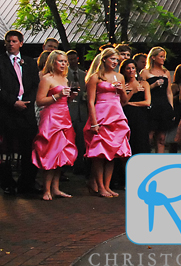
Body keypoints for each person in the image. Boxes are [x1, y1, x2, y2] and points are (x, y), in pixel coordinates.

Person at [84, 48, 131, 198]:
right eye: (112, 59)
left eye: (117, 60)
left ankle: (107, 185)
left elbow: (124, 100)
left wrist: (121, 90)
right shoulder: (96, 77)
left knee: (113, 153)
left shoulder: (120, 77)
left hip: (116, 114)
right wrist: (94, 122)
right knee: (100, 153)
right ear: (104, 59)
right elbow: (91, 101)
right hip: (101, 114)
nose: (115, 62)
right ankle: (100, 186)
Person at [32, 50, 77, 200]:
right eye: (60, 61)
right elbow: (39, 101)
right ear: (53, 62)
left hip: (64, 116)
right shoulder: (47, 79)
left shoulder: (65, 79)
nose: (64, 64)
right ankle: (46, 189)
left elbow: (65, 101)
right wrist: (57, 95)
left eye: (65, 61)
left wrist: (70, 97)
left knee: (61, 153)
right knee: (50, 152)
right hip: (51, 117)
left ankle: (56, 188)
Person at [0, 29, 41, 195]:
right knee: (7, 151)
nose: (11, 44)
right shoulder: (1, 61)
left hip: (26, 111)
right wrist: (13, 102)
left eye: (14, 41)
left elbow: (34, 84)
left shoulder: (30, 62)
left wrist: (26, 102)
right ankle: (7, 183)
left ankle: (27, 183)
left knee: (28, 148)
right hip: (7, 111)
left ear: (21, 43)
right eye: (8, 41)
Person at [139, 47, 174, 153]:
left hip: (163, 106)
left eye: (164, 57)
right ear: (153, 57)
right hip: (151, 106)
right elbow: (140, 90)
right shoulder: (145, 72)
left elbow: (169, 91)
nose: (163, 59)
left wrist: (171, 107)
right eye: (161, 56)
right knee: (149, 136)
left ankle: (160, 162)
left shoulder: (166, 72)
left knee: (162, 138)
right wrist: (153, 85)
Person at [121, 59, 152, 155]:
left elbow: (147, 102)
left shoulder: (144, 83)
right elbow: (122, 103)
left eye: (133, 68)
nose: (131, 70)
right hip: (126, 116)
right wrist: (132, 92)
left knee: (141, 142)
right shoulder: (122, 85)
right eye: (128, 68)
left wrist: (131, 103)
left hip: (140, 116)